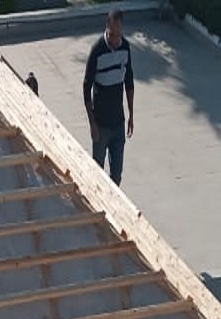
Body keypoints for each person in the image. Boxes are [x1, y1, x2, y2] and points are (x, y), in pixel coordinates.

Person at [82, 8, 135, 186]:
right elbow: (86, 87)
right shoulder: (97, 51)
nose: (114, 40)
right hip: (100, 126)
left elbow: (129, 82)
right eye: (112, 34)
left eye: (118, 35)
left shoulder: (125, 48)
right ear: (106, 27)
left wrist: (131, 115)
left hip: (118, 124)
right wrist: (92, 123)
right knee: (97, 175)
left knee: (116, 176)